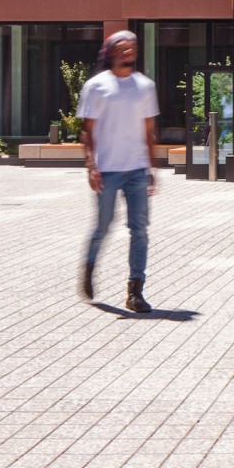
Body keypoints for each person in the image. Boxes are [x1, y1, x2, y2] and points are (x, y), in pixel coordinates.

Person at [79, 29, 161, 312]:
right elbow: (87, 132)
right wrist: (91, 166)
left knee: (140, 230)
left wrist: (152, 169)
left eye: (132, 48)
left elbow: (149, 131)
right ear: (111, 52)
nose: (128, 52)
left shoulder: (145, 86)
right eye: (122, 48)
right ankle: (89, 268)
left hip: (137, 168)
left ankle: (135, 291)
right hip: (107, 170)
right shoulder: (97, 86)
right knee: (103, 226)